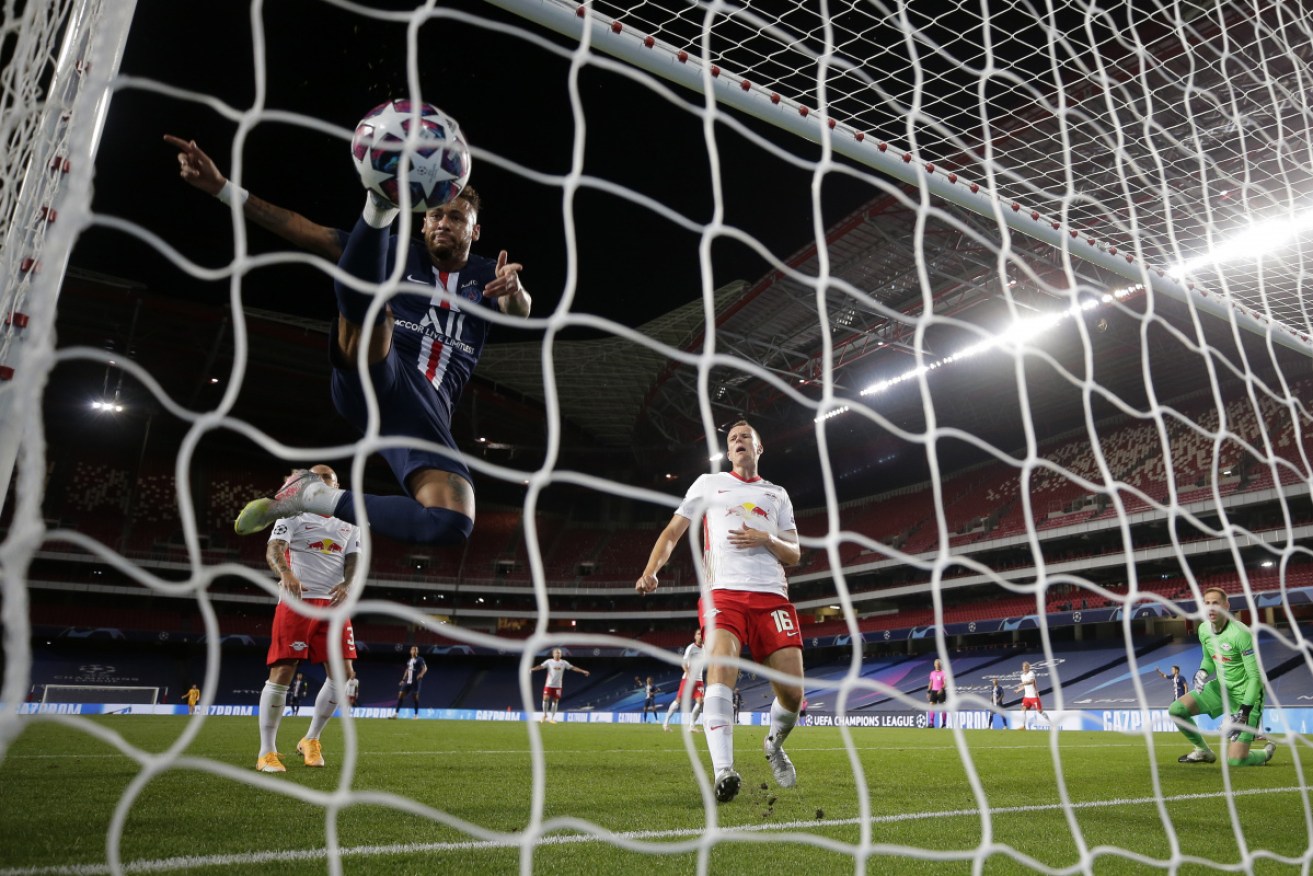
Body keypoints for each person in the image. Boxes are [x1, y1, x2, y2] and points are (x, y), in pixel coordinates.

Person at [164, 136, 532, 548]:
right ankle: (379, 206)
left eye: (457, 218)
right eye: (437, 215)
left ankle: (313, 496)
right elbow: (306, 231)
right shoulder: (396, 254)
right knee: (376, 302)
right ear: (424, 222)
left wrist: (514, 290)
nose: (444, 223)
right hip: (377, 368)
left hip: (419, 417)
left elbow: (519, 311)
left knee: (451, 521)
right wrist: (222, 188)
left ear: (474, 230)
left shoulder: (488, 276)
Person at [636, 420, 803, 804]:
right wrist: (650, 571)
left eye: (747, 437)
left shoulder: (776, 494)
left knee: (793, 694)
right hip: (723, 594)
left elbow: (794, 553)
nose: (740, 441)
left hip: (772, 597)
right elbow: (672, 533)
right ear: (728, 453)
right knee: (721, 667)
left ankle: (774, 745)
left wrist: (767, 538)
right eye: (733, 439)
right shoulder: (708, 484)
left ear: (759, 448)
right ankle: (724, 770)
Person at [255, 464, 360, 773]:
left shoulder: (350, 521)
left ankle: (311, 739)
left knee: (344, 674)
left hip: (334, 605)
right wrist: (285, 573)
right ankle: (266, 752)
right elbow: (275, 548)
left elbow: (354, 557)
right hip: (298, 602)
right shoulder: (292, 514)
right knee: (284, 670)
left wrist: (349, 583)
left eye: (327, 482)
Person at [1170, 587, 1276, 767]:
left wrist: (1244, 712)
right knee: (1176, 710)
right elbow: (1208, 659)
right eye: (1207, 603)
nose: (1211, 608)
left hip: (1246, 695)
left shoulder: (1241, 634)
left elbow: (1255, 678)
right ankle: (1203, 751)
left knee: (1236, 761)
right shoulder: (1204, 629)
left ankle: (1265, 752)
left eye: (1216, 603)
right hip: (1220, 689)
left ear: (1226, 606)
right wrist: (1202, 671)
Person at [662, 629, 706, 733]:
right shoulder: (691, 648)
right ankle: (666, 723)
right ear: (695, 636)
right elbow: (684, 663)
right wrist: (689, 674)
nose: (700, 636)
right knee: (678, 700)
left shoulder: (705, 649)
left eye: (702, 634)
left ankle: (691, 726)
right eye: (698, 634)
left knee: (700, 702)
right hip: (688, 679)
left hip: (699, 680)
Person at [531, 648, 590, 724]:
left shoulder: (564, 663)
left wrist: (583, 671)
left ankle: (552, 718)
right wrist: (532, 669)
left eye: (559, 653)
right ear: (553, 654)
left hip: (558, 686)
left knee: (555, 701)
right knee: (545, 699)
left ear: (561, 654)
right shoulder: (549, 662)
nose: (558, 654)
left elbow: (573, 668)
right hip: (549, 684)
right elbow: (540, 666)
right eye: (556, 653)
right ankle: (545, 715)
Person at [391, 646, 427, 719]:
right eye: (413, 650)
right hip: (408, 681)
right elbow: (407, 670)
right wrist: (403, 679)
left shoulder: (420, 659)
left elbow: (425, 668)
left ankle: (416, 715)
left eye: (415, 650)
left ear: (417, 651)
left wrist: (421, 675)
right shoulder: (409, 660)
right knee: (400, 694)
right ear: (410, 651)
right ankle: (396, 714)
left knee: (415, 697)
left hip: (415, 681)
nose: (414, 651)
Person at [1013, 661, 1051, 730]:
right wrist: (1018, 690)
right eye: (1023, 667)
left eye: (1026, 667)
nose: (1024, 668)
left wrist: (1024, 683)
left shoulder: (1031, 673)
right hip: (1026, 696)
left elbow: (1031, 682)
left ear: (1028, 668)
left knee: (1040, 711)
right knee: (1023, 709)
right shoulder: (1022, 676)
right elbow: (1025, 686)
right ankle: (1023, 726)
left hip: (1033, 696)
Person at [927, 658, 947, 729]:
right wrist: (928, 691)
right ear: (934, 665)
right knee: (931, 706)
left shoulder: (944, 673)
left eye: (939, 664)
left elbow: (946, 682)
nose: (938, 665)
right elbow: (931, 682)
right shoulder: (932, 673)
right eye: (936, 664)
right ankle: (931, 723)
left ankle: (944, 724)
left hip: (941, 691)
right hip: (934, 691)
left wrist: (942, 688)